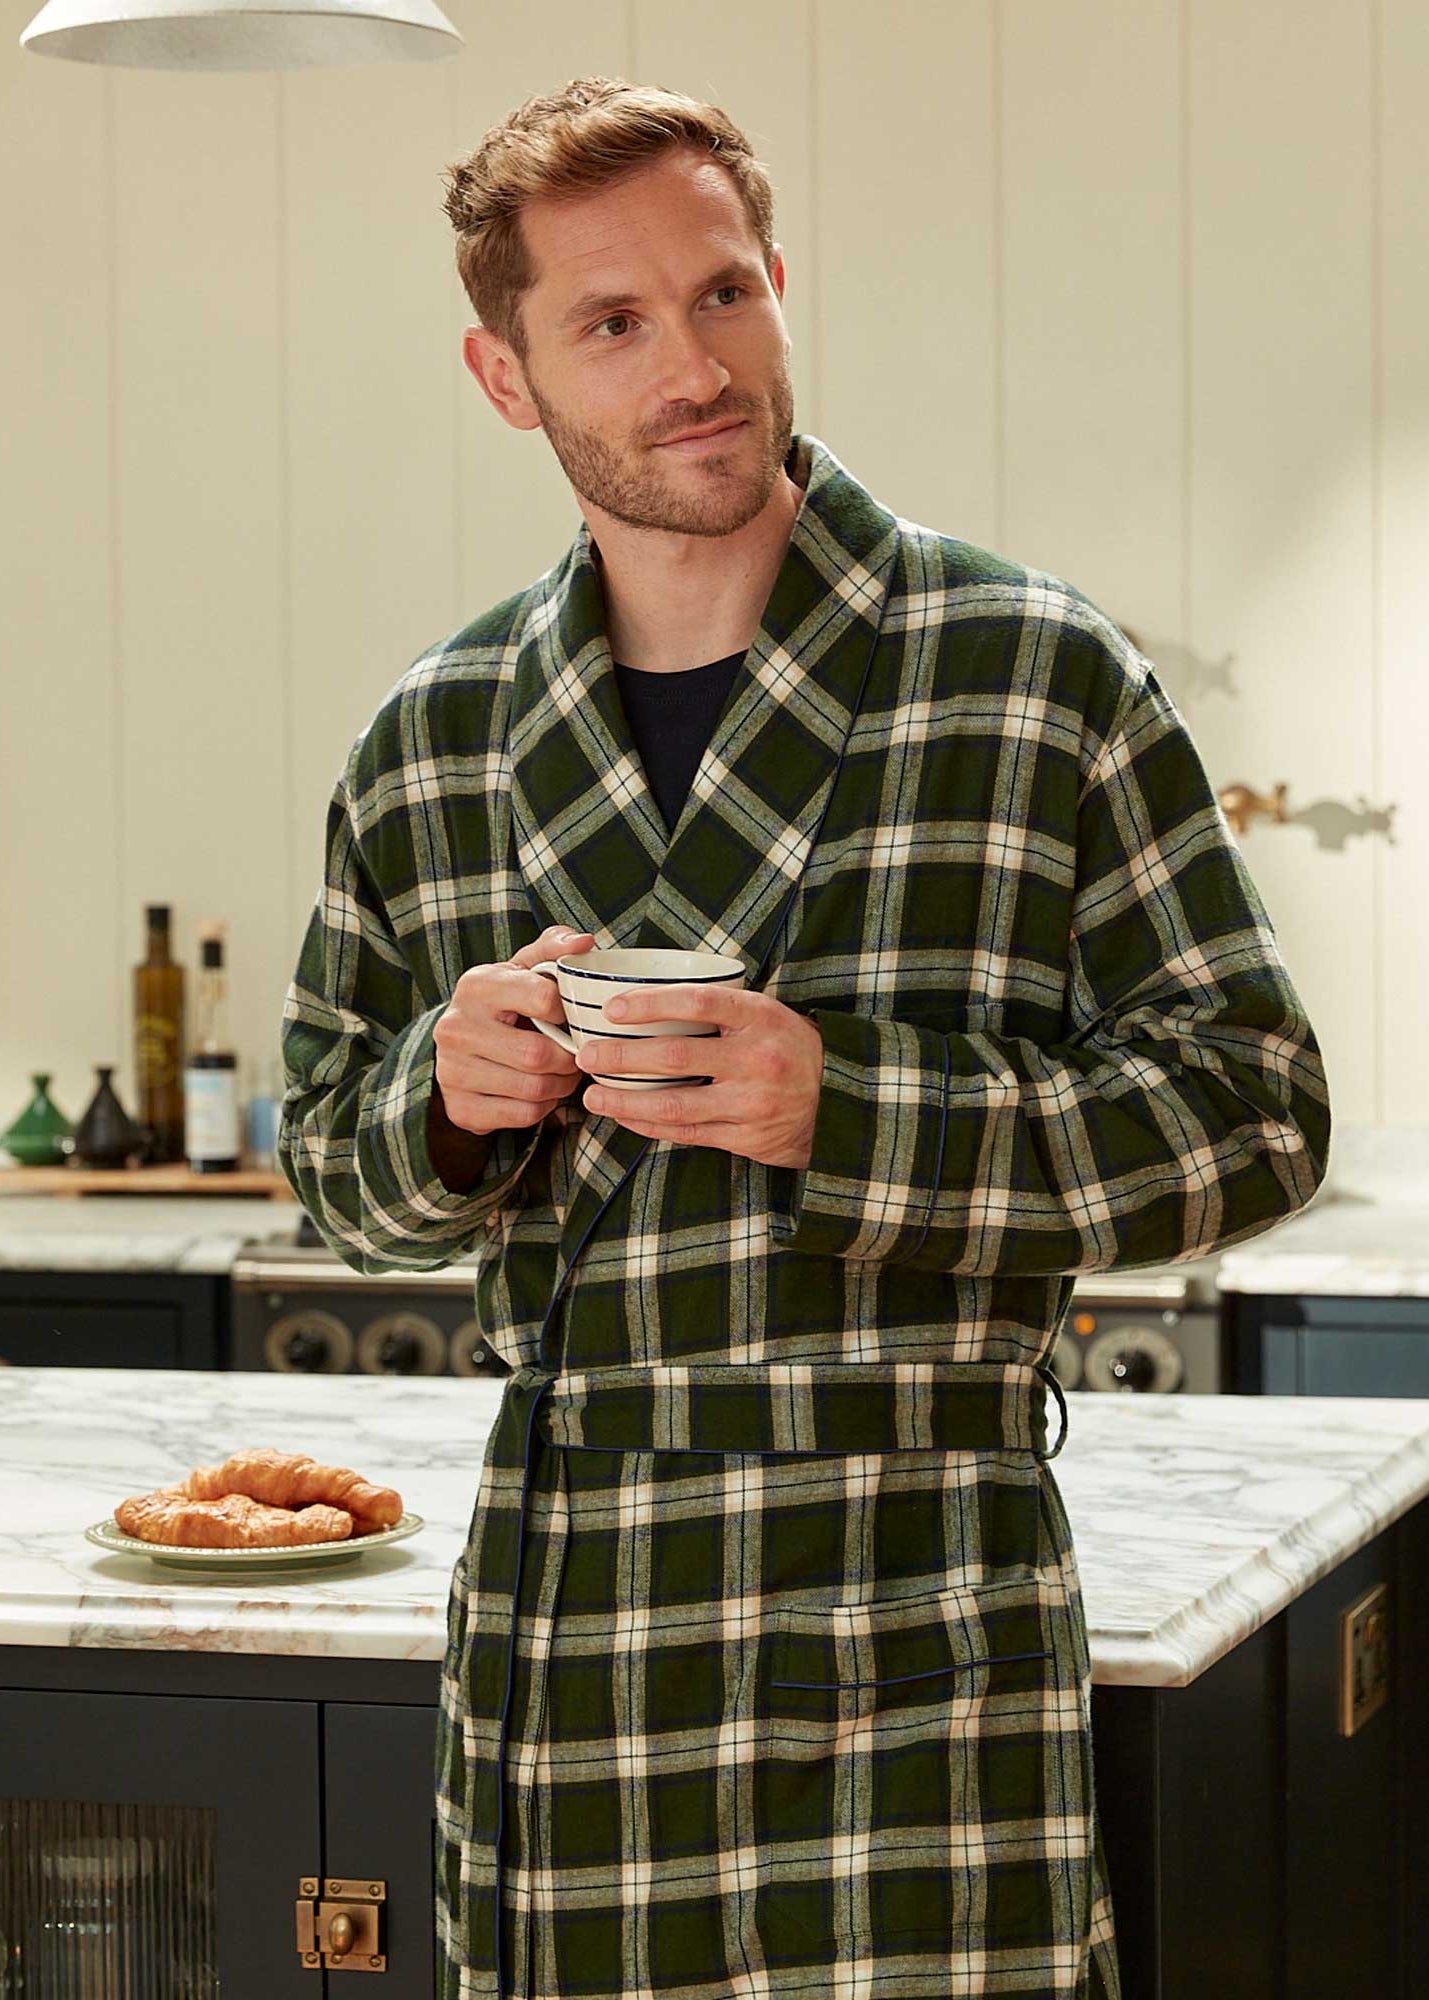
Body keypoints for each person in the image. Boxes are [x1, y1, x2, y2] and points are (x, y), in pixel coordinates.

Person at [277, 75, 1331, 2000]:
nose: (693, 364)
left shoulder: (1032, 675)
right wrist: (436, 1109)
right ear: (504, 377)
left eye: (724, 293)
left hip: (912, 1602)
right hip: (571, 1617)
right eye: (610, 323)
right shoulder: (430, 741)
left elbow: (1256, 1119)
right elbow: (326, 1163)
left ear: (779, 283)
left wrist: (848, 1111)